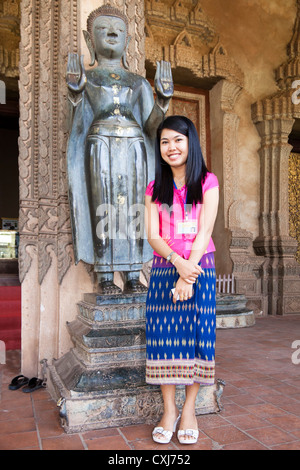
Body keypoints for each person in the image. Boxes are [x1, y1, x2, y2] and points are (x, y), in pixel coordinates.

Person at [66, 4, 173, 293]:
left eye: (119, 30)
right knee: (104, 207)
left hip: (135, 148)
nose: (112, 33)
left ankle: (133, 273)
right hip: (100, 146)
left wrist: (162, 101)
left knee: (135, 209)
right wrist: (75, 94)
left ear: (127, 40)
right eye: (103, 29)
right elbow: (77, 124)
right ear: (90, 41)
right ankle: (104, 275)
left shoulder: (137, 82)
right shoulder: (89, 80)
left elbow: (152, 127)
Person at [144, 115, 219, 444]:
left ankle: (189, 409)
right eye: (164, 141)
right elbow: (153, 235)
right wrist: (176, 262)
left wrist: (188, 274)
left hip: (200, 266)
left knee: (196, 336)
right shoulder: (154, 188)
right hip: (164, 267)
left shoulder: (207, 181)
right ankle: (169, 410)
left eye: (178, 139)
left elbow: (204, 231)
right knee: (163, 337)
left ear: (191, 143)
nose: (171, 147)